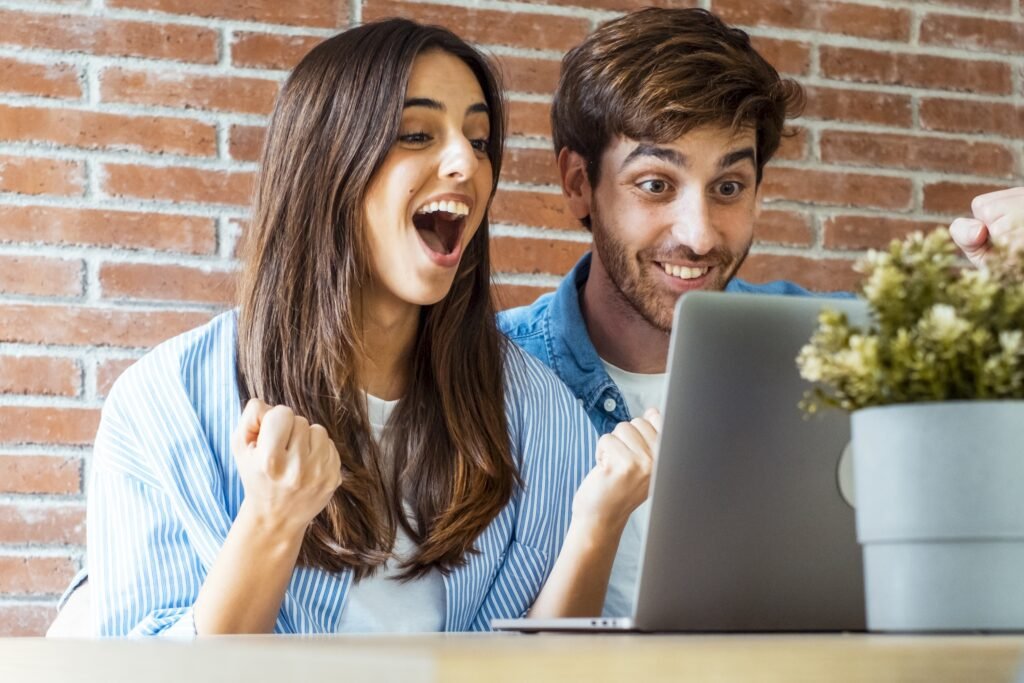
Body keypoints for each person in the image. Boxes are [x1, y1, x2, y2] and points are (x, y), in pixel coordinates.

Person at [61, 18, 659, 637]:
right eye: (416, 133)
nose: (465, 163)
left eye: (479, 141)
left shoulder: (538, 414)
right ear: (327, 164)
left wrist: (598, 523)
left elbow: (541, 669)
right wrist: (270, 523)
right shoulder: (166, 403)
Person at [497, 7, 1024, 617]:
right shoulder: (493, 375)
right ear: (577, 183)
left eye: (728, 188)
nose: (698, 236)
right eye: (656, 185)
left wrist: (1002, 304)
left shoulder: (836, 348)